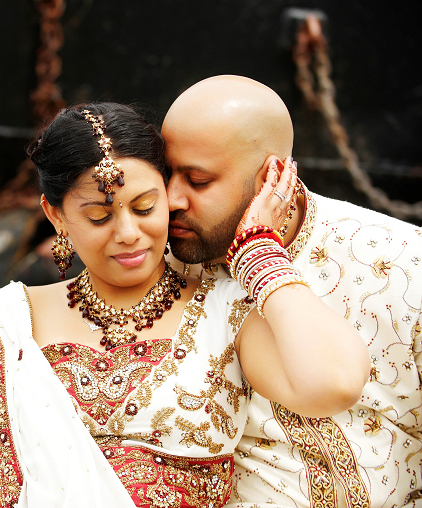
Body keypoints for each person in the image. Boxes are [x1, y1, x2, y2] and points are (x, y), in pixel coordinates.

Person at [0, 102, 369, 508]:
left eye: (145, 207)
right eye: (99, 216)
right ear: (55, 215)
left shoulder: (223, 310)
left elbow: (333, 384)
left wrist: (260, 254)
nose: (128, 233)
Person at [161, 75, 422, 508]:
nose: (171, 199)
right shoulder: (155, 265)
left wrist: (258, 258)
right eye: (166, 173)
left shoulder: (403, 263)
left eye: (198, 180)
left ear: (272, 175)